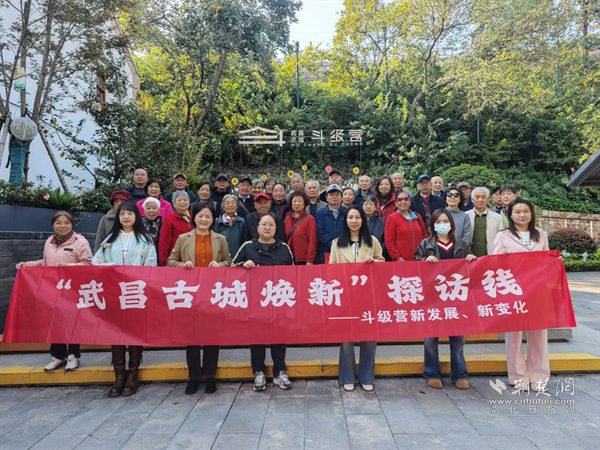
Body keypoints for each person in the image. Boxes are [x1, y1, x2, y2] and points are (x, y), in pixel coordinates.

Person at [92, 201, 157, 397]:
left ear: (136, 216)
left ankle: (133, 374)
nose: (126, 217)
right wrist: (111, 267)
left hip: (135, 292)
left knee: (135, 332)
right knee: (116, 333)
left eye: (130, 213)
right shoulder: (110, 239)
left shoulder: (145, 239)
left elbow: (151, 263)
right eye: (122, 214)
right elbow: (96, 261)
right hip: (114, 293)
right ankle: (119, 375)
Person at [167, 201, 231, 395]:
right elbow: (170, 261)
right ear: (193, 218)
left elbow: (228, 260)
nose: (204, 219)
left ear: (213, 219)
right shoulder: (183, 238)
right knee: (192, 337)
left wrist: (220, 265)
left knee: (212, 337)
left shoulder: (220, 239)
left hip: (212, 294)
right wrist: (183, 265)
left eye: (208, 216)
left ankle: (211, 376)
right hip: (190, 294)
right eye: (200, 216)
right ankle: (193, 377)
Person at [16, 211, 92, 372]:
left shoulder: (80, 241)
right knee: (55, 322)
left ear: (72, 224)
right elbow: (45, 262)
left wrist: (69, 267)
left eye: (66, 223)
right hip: (53, 289)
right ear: (53, 225)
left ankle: (73, 355)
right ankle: (58, 355)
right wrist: (26, 265)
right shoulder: (49, 242)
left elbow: (88, 264)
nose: (62, 226)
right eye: (58, 223)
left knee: (72, 322)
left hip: (72, 289)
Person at [492, 198, 553, 391]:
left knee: (539, 335)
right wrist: (500, 257)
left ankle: (539, 375)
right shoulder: (503, 235)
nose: (522, 215)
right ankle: (518, 376)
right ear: (510, 215)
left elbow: (547, 261)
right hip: (513, 291)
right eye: (517, 212)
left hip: (537, 291)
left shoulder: (541, 235)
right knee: (514, 336)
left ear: (531, 213)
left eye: (526, 211)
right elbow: (493, 264)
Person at [415, 209, 476, 390]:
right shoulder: (426, 244)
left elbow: (471, 270)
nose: (442, 224)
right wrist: (424, 261)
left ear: (451, 223)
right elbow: (414, 266)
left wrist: (472, 259)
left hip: (456, 298)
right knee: (431, 337)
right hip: (433, 297)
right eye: (438, 221)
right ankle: (432, 373)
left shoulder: (462, 244)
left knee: (458, 338)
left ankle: (459, 374)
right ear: (432, 225)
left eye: (445, 221)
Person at [233, 213, 294, 392]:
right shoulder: (247, 247)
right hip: (255, 302)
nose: (267, 227)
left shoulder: (284, 248)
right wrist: (243, 265)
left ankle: (279, 371)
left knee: (279, 338)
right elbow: (231, 267)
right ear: (257, 227)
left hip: (279, 301)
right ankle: (258, 371)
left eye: (271, 224)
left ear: (276, 228)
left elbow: (293, 274)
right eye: (264, 224)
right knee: (257, 338)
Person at [330, 206, 384, 391]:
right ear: (345, 220)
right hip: (346, 296)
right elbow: (331, 270)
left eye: (357, 217)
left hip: (368, 296)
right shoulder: (337, 243)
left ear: (363, 220)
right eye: (350, 217)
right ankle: (347, 377)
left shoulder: (372, 241)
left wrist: (374, 262)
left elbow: (382, 262)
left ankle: (366, 377)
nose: (354, 221)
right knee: (346, 339)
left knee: (369, 338)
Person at [384, 191, 428, 262]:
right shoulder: (392, 218)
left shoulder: (418, 217)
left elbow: (425, 236)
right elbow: (389, 241)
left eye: (406, 199)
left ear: (410, 202)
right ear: (396, 203)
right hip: (401, 261)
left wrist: (426, 253)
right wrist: (397, 257)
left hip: (420, 259)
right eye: (399, 200)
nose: (403, 201)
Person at [158, 191, 193, 266]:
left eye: (185, 200)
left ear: (189, 202)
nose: (182, 202)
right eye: (179, 200)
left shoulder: (196, 218)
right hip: (177, 260)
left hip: (194, 259)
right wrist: (164, 262)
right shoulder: (169, 220)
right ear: (174, 203)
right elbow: (164, 242)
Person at [467, 187, 503, 257]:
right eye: (477, 197)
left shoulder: (497, 217)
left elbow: (502, 239)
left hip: (491, 256)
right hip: (470, 258)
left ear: (487, 200)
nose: (480, 200)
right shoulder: (465, 216)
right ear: (472, 199)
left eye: (483, 197)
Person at [315, 184, 347, 264]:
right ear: (327, 197)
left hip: (345, 249)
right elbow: (320, 232)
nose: (334, 197)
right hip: (325, 250)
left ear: (342, 197)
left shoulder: (347, 212)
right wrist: (333, 245)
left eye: (337, 195)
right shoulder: (320, 213)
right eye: (331, 195)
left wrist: (342, 244)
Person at [284, 191, 317, 265]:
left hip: (304, 259)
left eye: (299, 201)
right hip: (290, 259)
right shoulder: (287, 219)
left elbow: (312, 240)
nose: (297, 203)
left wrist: (310, 260)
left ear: (304, 203)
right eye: (294, 201)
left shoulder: (309, 219)